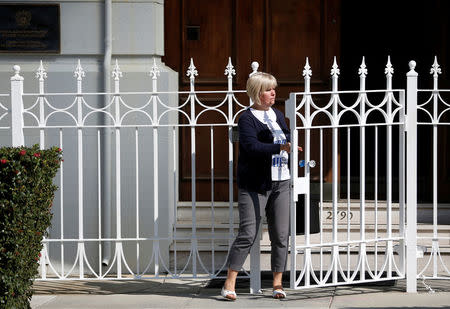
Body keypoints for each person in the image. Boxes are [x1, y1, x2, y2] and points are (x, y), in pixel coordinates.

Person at [221, 72, 302, 300]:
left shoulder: (277, 114)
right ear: (257, 92)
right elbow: (250, 146)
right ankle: (230, 282)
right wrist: (281, 148)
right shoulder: (246, 118)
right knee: (247, 234)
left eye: (274, 88)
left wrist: (290, 145)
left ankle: (277, 284)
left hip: (281, 181)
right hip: (255, 184)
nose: (273, 92)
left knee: (281, 235)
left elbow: (286, 135)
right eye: (268, 89)